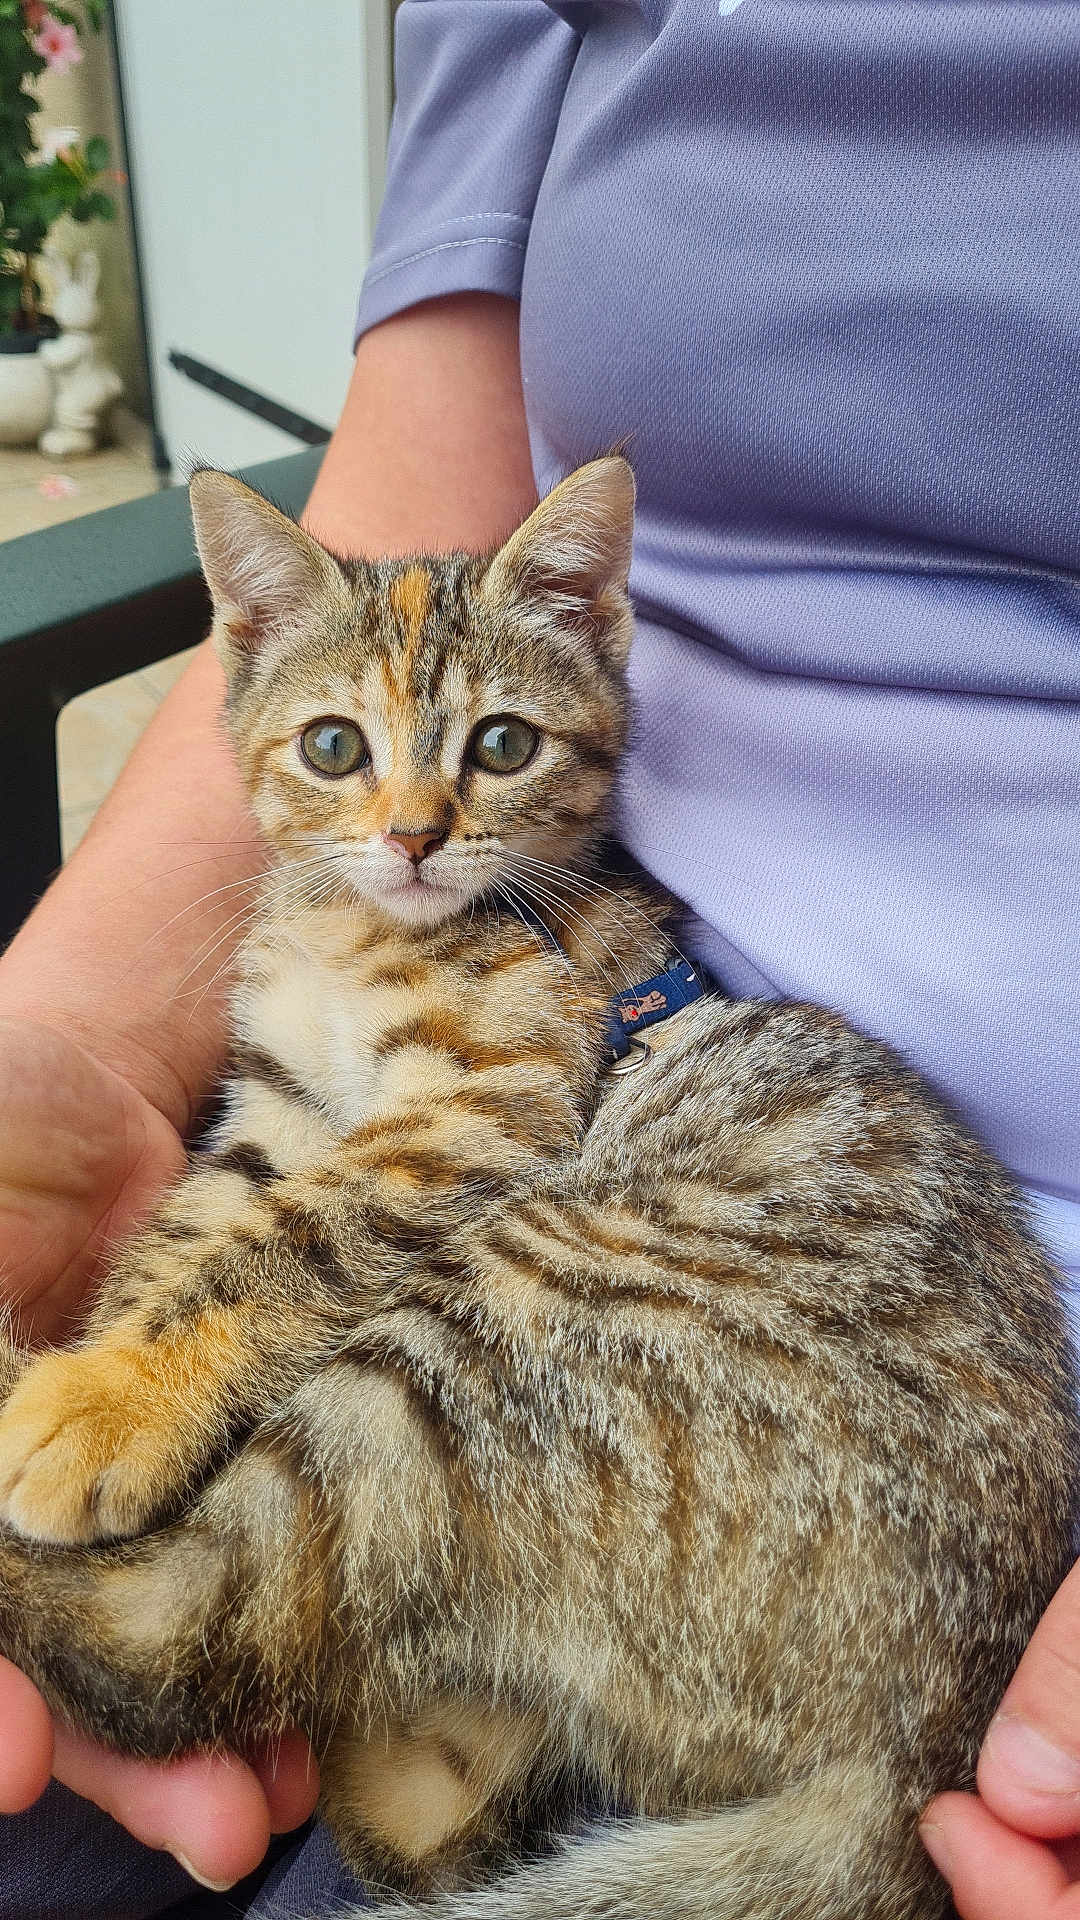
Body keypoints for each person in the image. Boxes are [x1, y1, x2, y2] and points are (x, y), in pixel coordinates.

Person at [1, 4, 1078, 1915]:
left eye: (492, 748)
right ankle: (460, 1757)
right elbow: (273, 1151)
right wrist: (78, 1051)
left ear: (587, 661)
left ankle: (160, 1623)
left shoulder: (549, 953)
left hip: (840, 1407)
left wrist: (186, 1356)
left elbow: (440, 1174)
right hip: (701, 1512)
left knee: (464, 1323)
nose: (413, 826)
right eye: (342, 754)